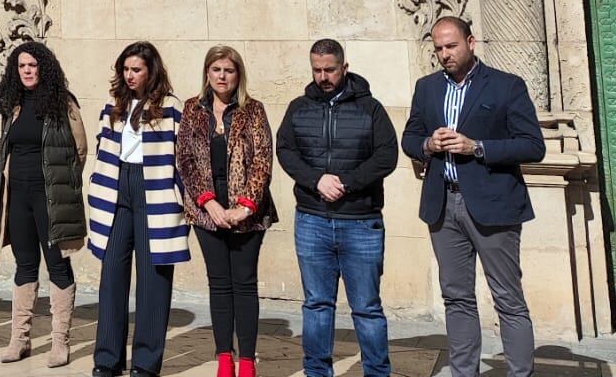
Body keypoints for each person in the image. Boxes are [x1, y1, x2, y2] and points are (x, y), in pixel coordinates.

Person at [402, 17, 545, 377]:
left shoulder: (506, 86)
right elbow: (409, 137)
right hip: (442, 204)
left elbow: (532, 146)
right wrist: (427, 145)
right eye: (438, 48)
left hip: (493, 205)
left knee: (508, 299)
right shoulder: (427, 88)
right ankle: (464, 372)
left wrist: (476, 146)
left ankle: (519, 373)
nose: (444, 54)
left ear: (470, 42)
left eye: (451, 46)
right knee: (456, 297)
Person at [277, 38, 398, 377]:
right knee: (316, 305)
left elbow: (386, 155)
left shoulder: (370, 108)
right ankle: (317, 372)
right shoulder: (299, 107)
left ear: (344, 68)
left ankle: (376, 372)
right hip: (312, 220)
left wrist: (346, 182)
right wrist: (316, 180)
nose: (323, 76)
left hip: (361, 222)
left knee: (367, 308)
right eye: (317, 70)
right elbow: (285, 150)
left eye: (329, 69)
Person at [88, 41, 189, 377]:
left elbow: (181, 158)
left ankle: (145, 364)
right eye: (126, 69)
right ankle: (107, 360)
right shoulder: (112, 103)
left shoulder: (171, 106)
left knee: (153, 278)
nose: (130, 76)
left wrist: (179, 197)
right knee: (112, 275)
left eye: (137, 70)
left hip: (155, 192)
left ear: (151, 71)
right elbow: (103, 148)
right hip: (118, 189)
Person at [177, 46, 276, 377]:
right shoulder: (193, 109)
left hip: (247, 214)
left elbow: (263, 159)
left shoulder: (253, 110)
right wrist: (209, 202)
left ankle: (246, 360)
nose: (222, 76)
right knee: (218, 284)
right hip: (207, 212)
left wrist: (243, 207)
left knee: (244, 283)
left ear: (238, 75)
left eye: (229, 70)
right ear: (207, 73)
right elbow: (186, 160)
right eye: (216, 69)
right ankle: (223, 358)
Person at [0, 41, 88, 367]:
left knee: (58, 265)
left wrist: (65, 188)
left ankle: (60, 342)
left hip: (49, 198)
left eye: (33, 65)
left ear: (43, 67)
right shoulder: (12, 105)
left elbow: (80, 150)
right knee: (24, 265)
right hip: (17, 197)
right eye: (21, 66)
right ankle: (20, 339)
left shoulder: (63, 104)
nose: (27, 71)